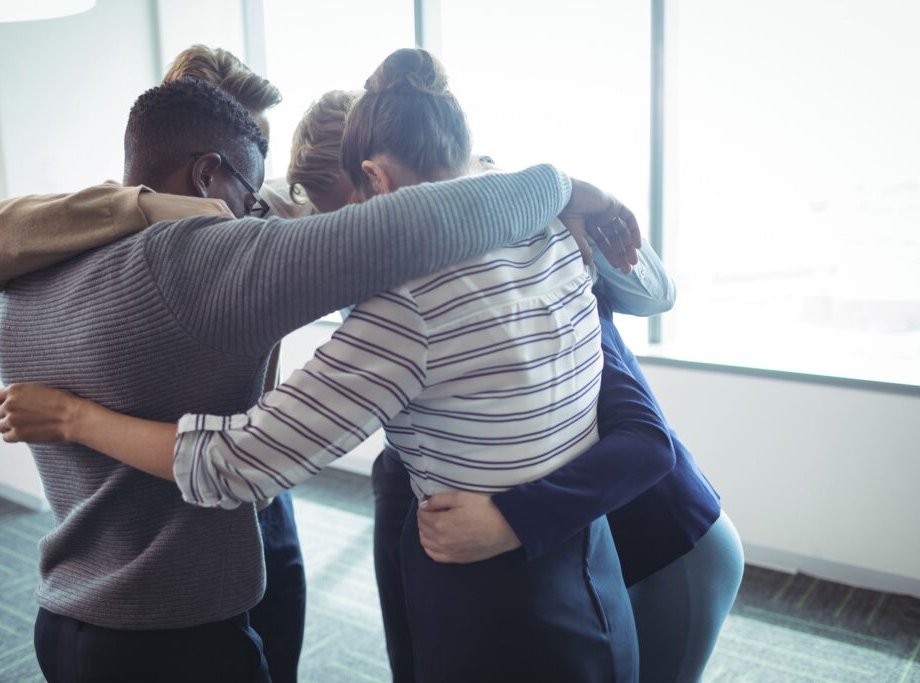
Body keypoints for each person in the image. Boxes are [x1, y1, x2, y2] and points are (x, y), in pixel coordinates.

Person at [0, 49, 647, 682]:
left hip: (73, 614)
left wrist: (75, 416)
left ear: (376, 179)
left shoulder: (18, 288)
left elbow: (236, 462)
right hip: (593, 587)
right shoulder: (559, 233)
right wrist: (561, 182)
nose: (261, 213)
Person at [280, 86, 744, 683]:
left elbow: (644, 442)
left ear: (386, 184)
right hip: (592, 550)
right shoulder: (417, 284)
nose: (364, 249)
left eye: (363, 217)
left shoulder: (534, 273)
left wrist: (512, 518)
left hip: (669, 543)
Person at [163, 45, 304, 683]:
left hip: (264, 493)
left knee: (282, 651)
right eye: (249, 153)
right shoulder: (113, 242)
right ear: (205, 164)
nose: (263, 174)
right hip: (166, 502)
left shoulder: (262, 211)